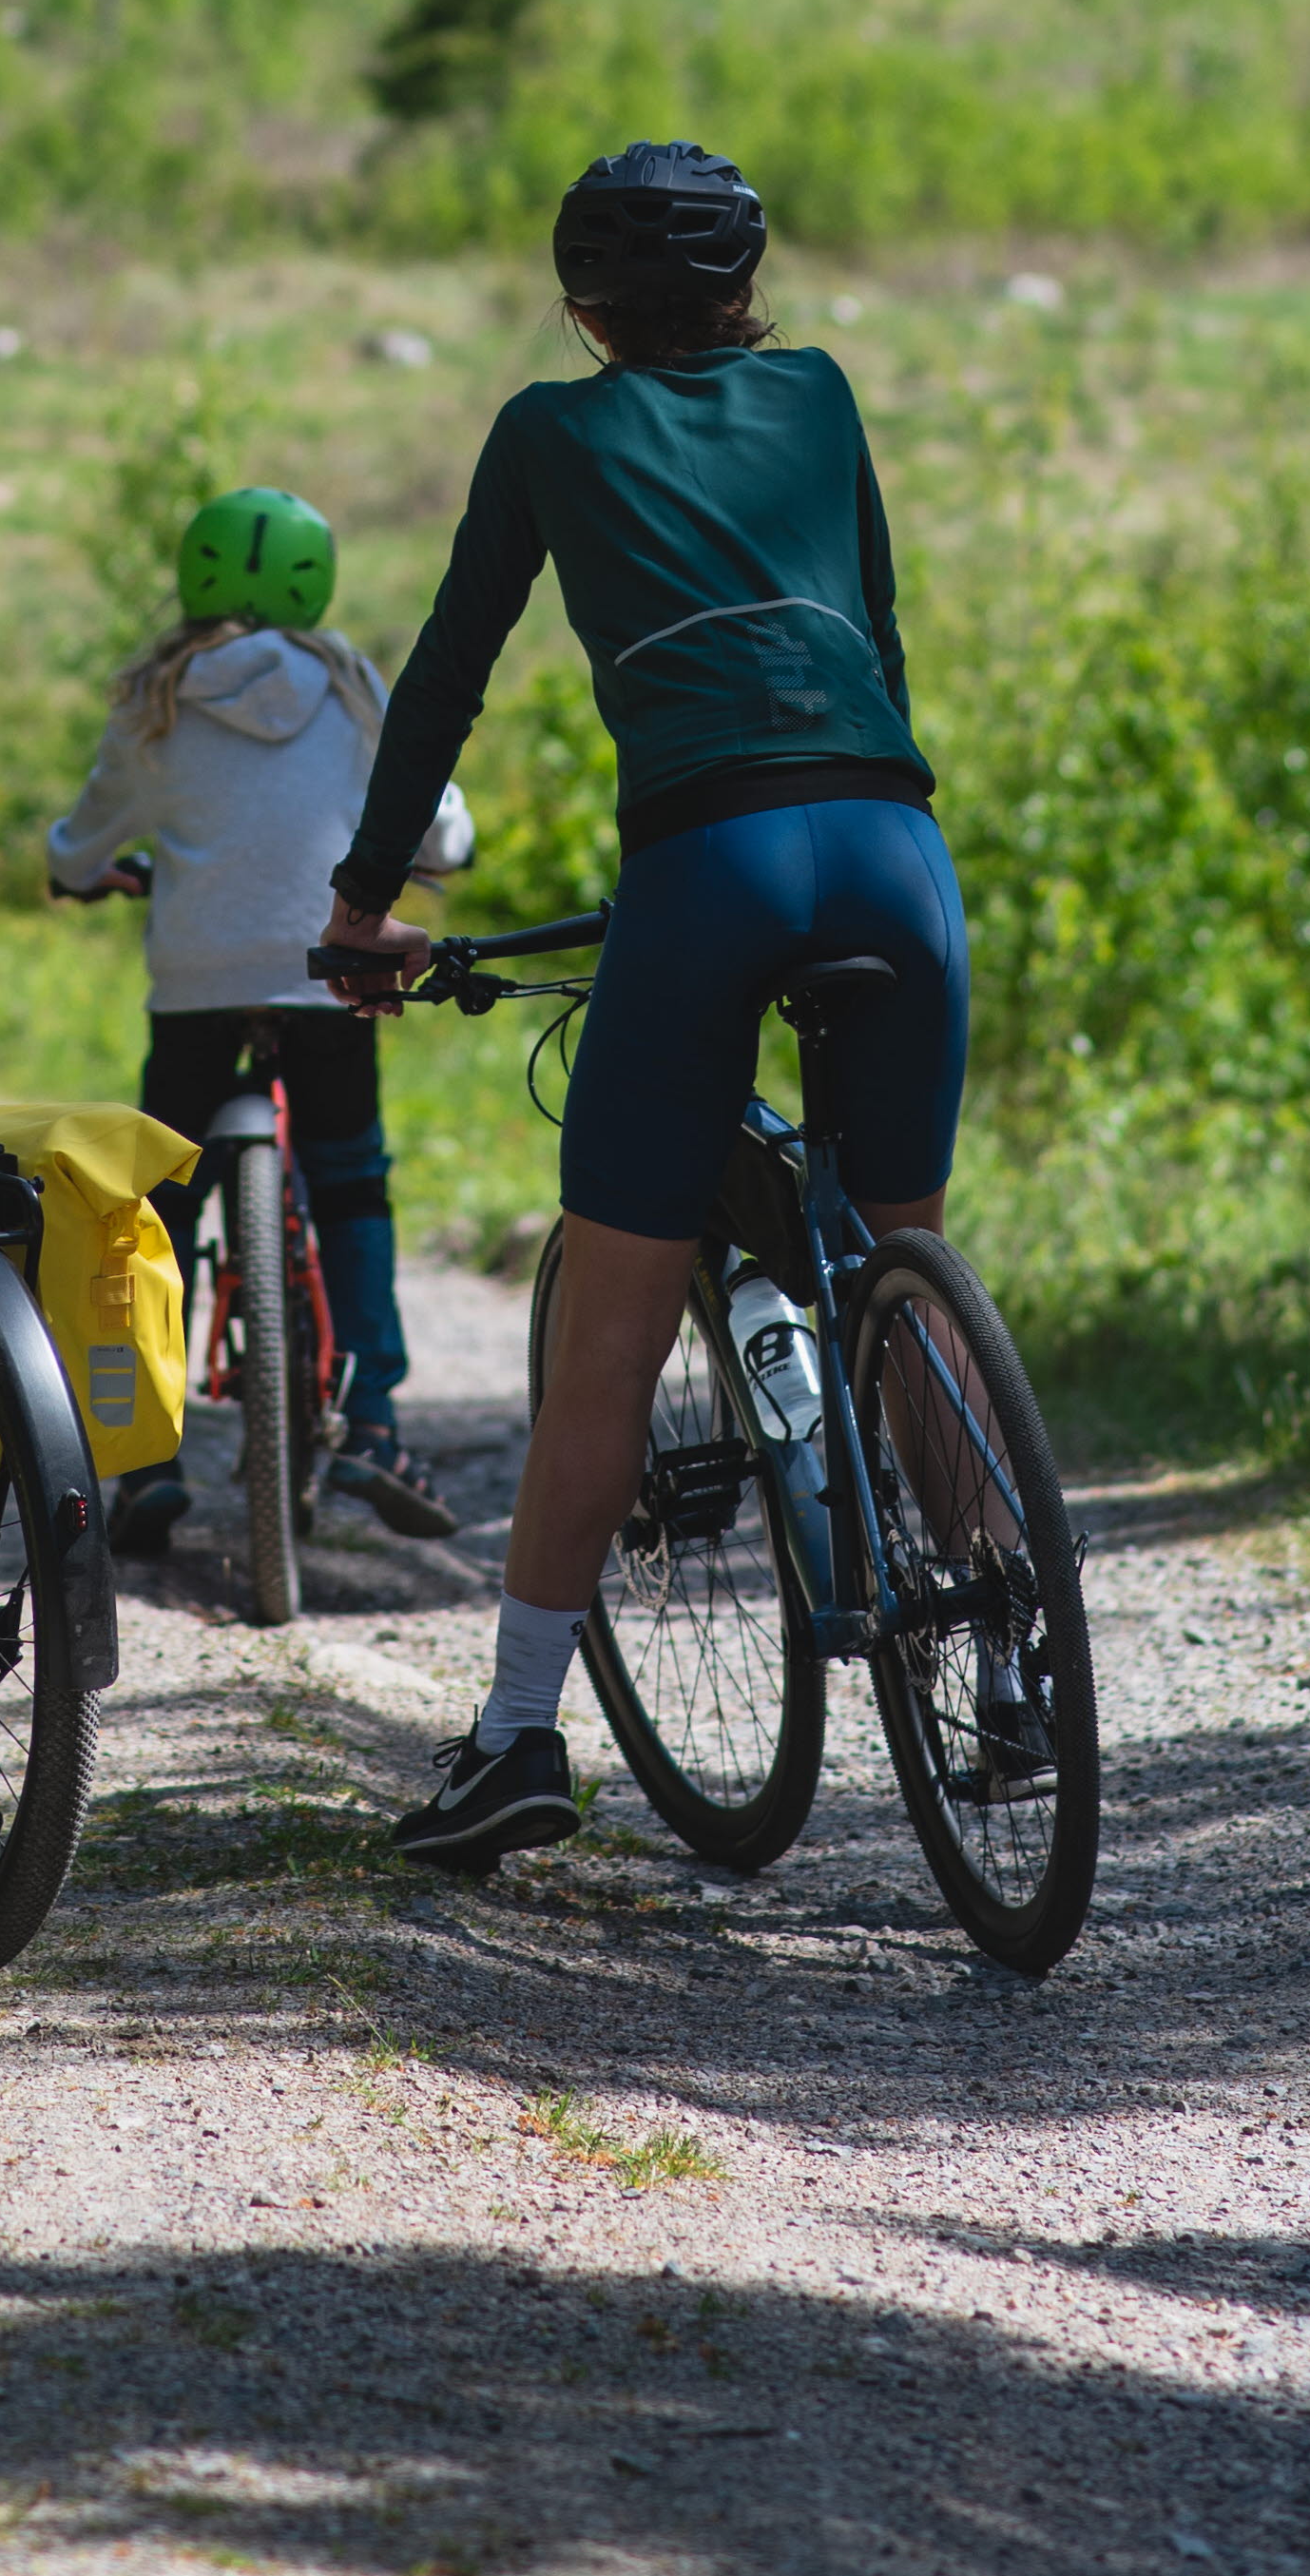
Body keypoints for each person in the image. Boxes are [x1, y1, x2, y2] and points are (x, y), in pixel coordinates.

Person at [317, 142, 977, 1868]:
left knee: (608, 1327)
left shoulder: (550, 430)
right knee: (905, 1261)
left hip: (708, 865)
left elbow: (448, 671)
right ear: (748, 288)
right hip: (893, 846)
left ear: (581, 305)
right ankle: (1001, 1663)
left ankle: (516, 1737)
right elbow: (877, 633)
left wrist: (365, 902)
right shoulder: (822, 393)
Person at [47, 489, 472, 1553]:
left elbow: (84, 836)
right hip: (331, 969)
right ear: (315, 583)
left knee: (157, 1202)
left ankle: (145, 1456)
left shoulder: (161, 696)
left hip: (197, 982)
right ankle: (373, 1421)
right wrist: (432, 856)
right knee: (351, 1177)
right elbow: (440, 827)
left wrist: (80, 869)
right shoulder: (350, 683)